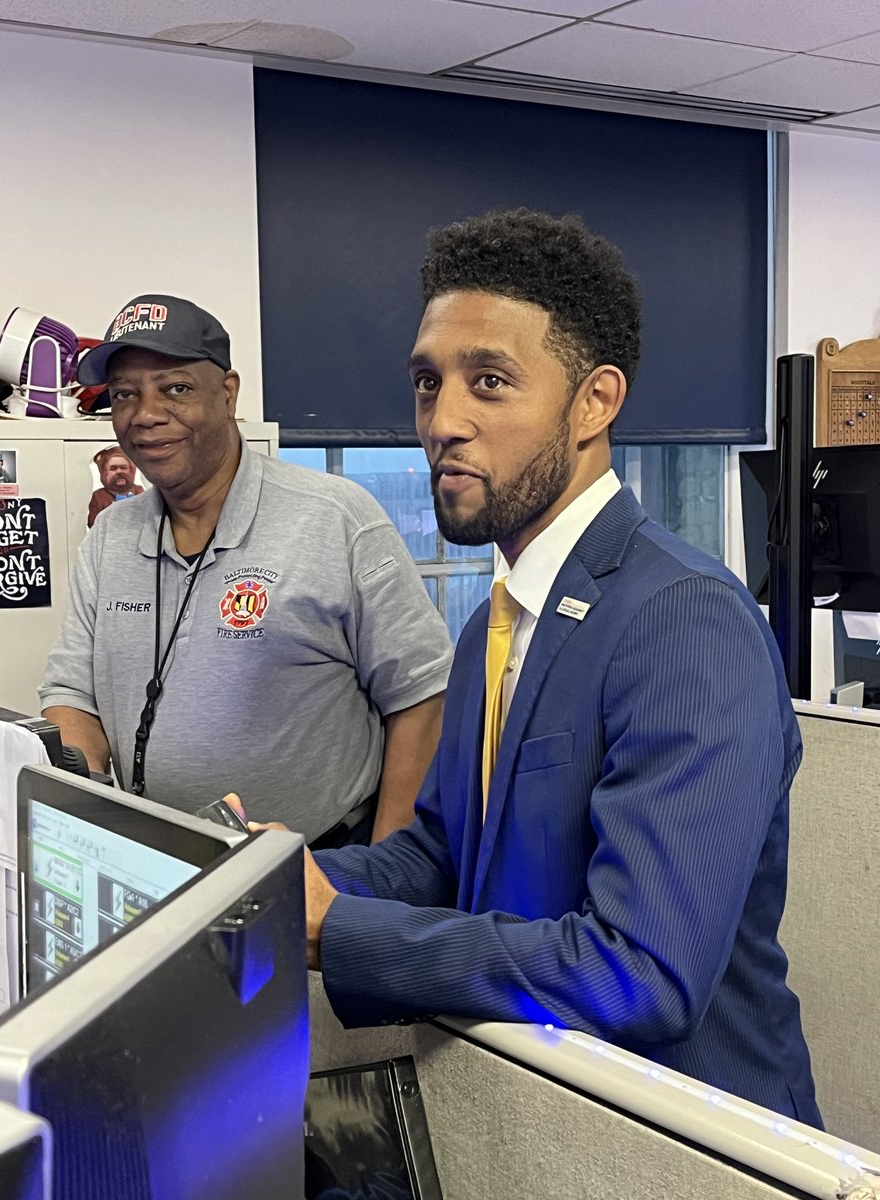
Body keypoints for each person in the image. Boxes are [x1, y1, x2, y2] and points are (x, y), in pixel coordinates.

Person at [243, 210, 821, 1123]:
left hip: (687, 1148)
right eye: (429, 383)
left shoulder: (684, 619)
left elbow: (640, 975)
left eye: (492, 383)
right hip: (529, 1115)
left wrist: (340, 930)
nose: (444, 423)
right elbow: (443, 856)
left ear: (594, 403)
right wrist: (287, 884)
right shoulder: (492, 625)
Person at [40, 294, 452, 845]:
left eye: (176, 388)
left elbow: (422, 695)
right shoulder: (111, 537)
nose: (145, 414)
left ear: (228, 394)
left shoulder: (336, 517)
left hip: (322, 860)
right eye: (124, 395)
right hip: (162, 863)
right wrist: (80, 820)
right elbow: (72, 692)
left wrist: (384, 868)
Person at [87, 445, 144, 527]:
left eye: (123, 468)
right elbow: (93, 524)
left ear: (131, 470)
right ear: (105, 473)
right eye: (113, 468)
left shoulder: (140, 492)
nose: (119, 472)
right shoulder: (99, 497)